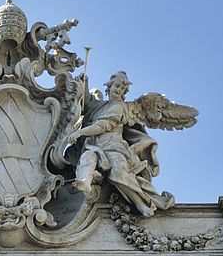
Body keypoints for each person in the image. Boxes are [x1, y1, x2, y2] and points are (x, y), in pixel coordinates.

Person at [67, 71, 175, 217]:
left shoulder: (120, 107)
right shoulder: (100, 105)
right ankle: (85, 184)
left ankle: (141, 203)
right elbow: (86, 103)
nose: (118, 90)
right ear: (110, 86)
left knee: (119, 173)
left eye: (122, 89)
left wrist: (80, 132)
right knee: (87, 158)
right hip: (95, 145)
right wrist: (84, 83)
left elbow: (102, 126)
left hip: (114, 147)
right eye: (117, 86)